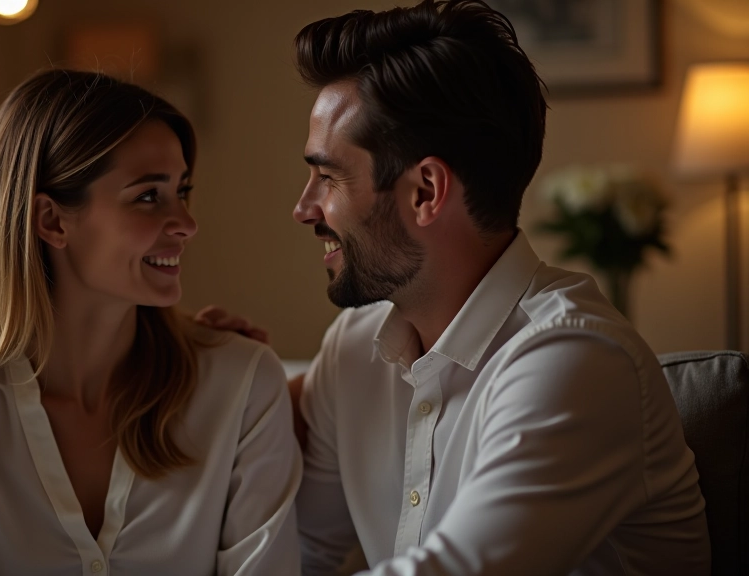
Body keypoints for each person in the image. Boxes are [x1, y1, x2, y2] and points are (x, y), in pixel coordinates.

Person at [206, 1, 710, 574]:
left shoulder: (576, 360)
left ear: (425, 191)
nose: (303, 208)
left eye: (328, 176)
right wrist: (213, 375)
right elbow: (299, 556)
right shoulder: (356, 347)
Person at [0, 69, 301, 576]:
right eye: (149, 196)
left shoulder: (243, 384)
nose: (187, 224)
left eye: (182, 191)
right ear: (52, 221)